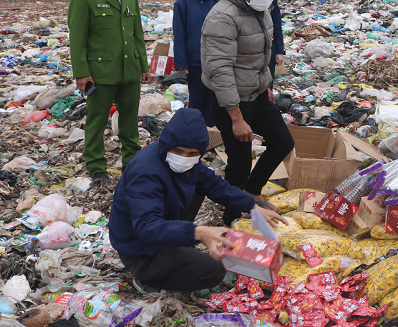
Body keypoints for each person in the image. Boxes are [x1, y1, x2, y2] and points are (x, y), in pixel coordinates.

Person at [109, 108, 288, 293]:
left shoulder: (189, 164)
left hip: (162, 226)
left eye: (192, 153)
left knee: (198, 187)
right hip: (139, 246)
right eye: (178, 151)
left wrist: (252, 206)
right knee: (212, 271)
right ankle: (148, 278)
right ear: (167, 144)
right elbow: (146, 226)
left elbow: (214, 185)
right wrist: (198, 232)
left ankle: (178, 247)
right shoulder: (146, 172)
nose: (184, 158)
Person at [201, 0, 295, 224]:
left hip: (256, 92)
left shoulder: (261, 9)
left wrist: (266, 85)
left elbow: (261, 53)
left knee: (283, 142)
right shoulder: (222, 16)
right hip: (230, 100)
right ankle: (232, 218)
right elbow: (219, 69)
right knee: (239, 162)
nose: (267, 0)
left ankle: (251, 192)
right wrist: (236, 117)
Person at [68, 0, 151, 181]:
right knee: (96, 120)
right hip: (101, 71)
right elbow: (78, 40)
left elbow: (137, 36)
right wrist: (82, 74)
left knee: (129, 121)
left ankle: (132, 164)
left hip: (131, 71)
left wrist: (143, 66)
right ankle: (96, 167)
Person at [173, 0, 220, 127]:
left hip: (215, 58)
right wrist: (181, 62)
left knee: (212, 98)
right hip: (195, 58)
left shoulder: (216, 1)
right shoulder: (183, 3)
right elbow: (179, 34)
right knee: (197, 96)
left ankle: (209, 131)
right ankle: (191, 129)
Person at [268, 0, 285, 86]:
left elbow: (277, 26)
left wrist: (279, 51)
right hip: (249, 52)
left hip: (270, 49)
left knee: (268, 82)